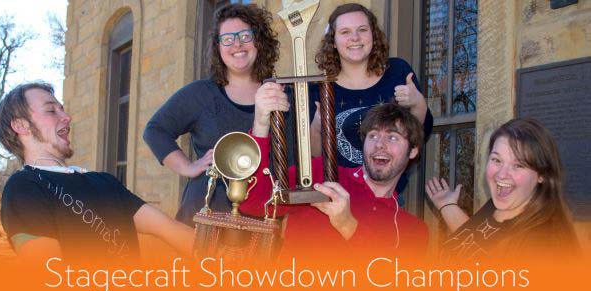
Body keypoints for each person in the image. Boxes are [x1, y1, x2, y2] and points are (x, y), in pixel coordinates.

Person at [0, 82, 194, 262]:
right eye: (51, 110)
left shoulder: (105, 182)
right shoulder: (23, 187)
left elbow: (169, 229)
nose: (66, 117)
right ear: (20, 125)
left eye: (62, 109)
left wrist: (221, 257)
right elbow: (49, 278)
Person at [241, 86, 428, 258]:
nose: (380, 144)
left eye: (393, 137)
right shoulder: (320, 175)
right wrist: (261, 125)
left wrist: (347, 225)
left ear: (413, 151)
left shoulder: (412, 230)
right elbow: (252, 202)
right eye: (373, 135)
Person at [143, 3, 282, 226]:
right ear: (218, 47)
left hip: (262, 224)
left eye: (245, 35)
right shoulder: (200, 94)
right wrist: (188, 168)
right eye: (227, 38)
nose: (237, 43)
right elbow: (155, 131)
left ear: (260, 40)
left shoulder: (279, 94)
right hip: (202, 222)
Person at [425, 118, 579, 262]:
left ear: (542, 175)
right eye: (496, 160)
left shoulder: (543, 245)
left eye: (518, 165)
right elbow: (474, 242)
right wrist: (447, 206)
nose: (502, 174)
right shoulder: (496, 206)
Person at [309, 3, 433, 177]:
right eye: (345, 32)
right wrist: (317, 126)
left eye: (362, 29)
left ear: (373, 35)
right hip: (338, 192)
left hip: (388, 191)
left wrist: (418, 104)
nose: (355, 38)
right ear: (333, 42)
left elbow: (417, 139)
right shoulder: (318, 89)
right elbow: (313, 158)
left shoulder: (398, 72)